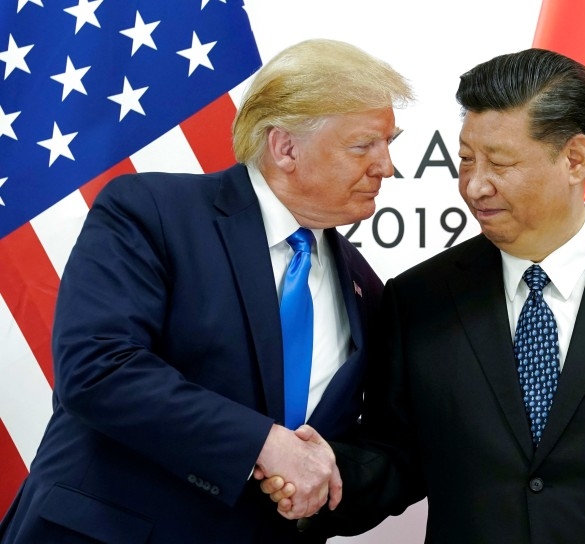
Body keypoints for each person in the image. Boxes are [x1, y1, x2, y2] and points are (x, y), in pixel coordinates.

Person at [267, 47, 585, 543]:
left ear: (574, 159)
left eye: (500, 163)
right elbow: (395, 457)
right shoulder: (418, 298)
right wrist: (324, 475)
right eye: (466, 160)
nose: (475, 186)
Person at [0, 38, 412, 544]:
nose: (386, 166)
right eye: (363, 145)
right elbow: (98, 366)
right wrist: (264, 444)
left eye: (389, 143)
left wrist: (323, 472)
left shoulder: (366, 288)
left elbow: (370, 446)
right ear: (285, 147)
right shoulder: (151, 212)